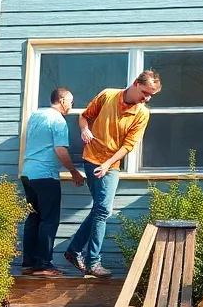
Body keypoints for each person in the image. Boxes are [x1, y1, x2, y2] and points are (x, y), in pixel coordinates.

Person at [64, 70, 161, 278]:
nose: (147, 98)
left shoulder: (142, 113)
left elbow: (128, 145)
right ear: (135, 83)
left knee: (100, 209)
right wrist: (84, 129)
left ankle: (74, 250)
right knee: (102, 210)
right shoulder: (108, 95)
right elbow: (84, 117)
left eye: (151, 95)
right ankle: (93, 262)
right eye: (145, 93)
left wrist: (108, 163)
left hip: (110, 163)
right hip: (91, 158)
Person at [20, 88, 84, 277]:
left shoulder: (35, 115)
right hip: (45, 174)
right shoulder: (57, 120)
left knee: (34, 218)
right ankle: (44, 265)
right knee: (48, 220)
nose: (72, 106)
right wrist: (74, 172)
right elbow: (60, 149)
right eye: (71, 101)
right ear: (62, 100)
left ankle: (28, 263)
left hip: (28, 173)